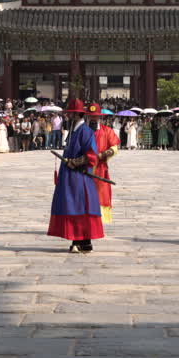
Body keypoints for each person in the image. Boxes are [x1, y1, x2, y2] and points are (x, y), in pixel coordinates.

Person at [48, 99, 104, 253]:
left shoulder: (85, 131)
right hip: (70, 175)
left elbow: (92, 155)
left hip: (79, 176)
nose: (69, 117)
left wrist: (76, 162)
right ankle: (84, 241)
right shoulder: (73, 131)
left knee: (78, 206)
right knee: (74, 205)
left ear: (76, 115)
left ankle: (79, 240)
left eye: (71, 114)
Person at [90, 106, 120, 224]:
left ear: (99, 117)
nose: (93, 118)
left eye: (95, 116)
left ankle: (99, 219)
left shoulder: (106, 131)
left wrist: (103, 155)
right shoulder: (82, 130)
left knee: (101, 193)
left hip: (100, 168)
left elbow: (114, 147)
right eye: (91, 116)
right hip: (84, 168)